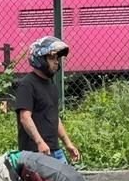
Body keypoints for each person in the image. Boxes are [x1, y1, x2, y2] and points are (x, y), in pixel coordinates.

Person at [15, 36, 80, 164]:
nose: (56, 62)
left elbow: (54, 117)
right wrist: (40, 143)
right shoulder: (27, 85)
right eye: (51, 58)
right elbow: (25, 117)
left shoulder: (51, 85)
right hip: (35, 152)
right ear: (39, 59)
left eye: (57, 58)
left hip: (54, 150)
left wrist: (68, 143)